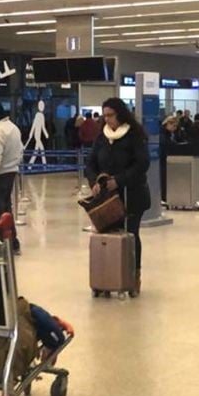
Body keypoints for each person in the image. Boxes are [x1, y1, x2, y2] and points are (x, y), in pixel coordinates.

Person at [85, 97, 152, 287]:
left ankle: (133, 274)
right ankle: (110, 276)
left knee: (131, 233)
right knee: (108, 235)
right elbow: (91, 164)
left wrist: (119, 180)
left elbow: (142, 164)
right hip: (107, 199)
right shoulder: (102, 137)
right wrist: (94, 181)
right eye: (104, 116)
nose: (107, 119)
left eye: (110, 115)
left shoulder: (134, 135)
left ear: (120, 114)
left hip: (132, 195)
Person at [0, 101, 24, 254]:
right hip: (10, 173)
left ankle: (5, 243)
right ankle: (13, 243)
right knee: (6, 210)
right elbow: (20, 150)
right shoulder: (13, 128)